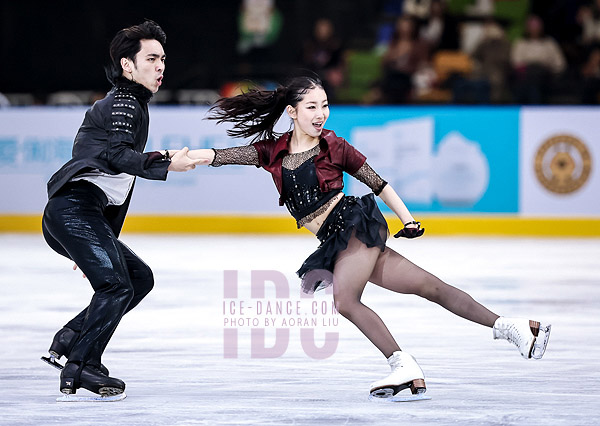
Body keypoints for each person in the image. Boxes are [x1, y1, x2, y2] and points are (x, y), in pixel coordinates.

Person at [187, 75, 551, 399]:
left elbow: (378, 183)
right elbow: (220, 155)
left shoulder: (334, 145)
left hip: (352, 226)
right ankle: (513, 327)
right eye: (312, 106)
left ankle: (403, 366)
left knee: (345, 301)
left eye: (325, 105)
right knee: (429, 286)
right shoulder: (272, 151)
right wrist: (176, 158)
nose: (321, 113)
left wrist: (408, 220)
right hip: (337, 241)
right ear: (292, 111)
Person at [41, 20, 202, 398]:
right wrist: (165, 164)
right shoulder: (124, 102)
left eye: (163, 58)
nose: (160, 66)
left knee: (137, 278)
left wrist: (99, 245)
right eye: (151, 58)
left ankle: (70, 337)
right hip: (72, 211)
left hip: (80, 215)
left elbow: (115, 168)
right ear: (127, 66)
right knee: (115, 285)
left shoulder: (131, 105)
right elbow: (117, 156)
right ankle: (81, 367)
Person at [511, 15, 566, 104]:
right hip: (526, 73)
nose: (534, 29)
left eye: (537, 27)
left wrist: (550, 69)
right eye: (532, 27)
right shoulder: (521, 43)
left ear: (541, 28)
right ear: (527, 28)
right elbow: (515, 62)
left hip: (545, 74)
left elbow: (560, 63)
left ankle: (533, 106)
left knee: (536, 74)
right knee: (530, 77)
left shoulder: (549, 43)